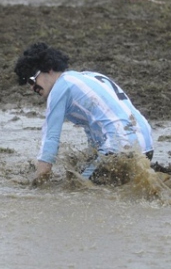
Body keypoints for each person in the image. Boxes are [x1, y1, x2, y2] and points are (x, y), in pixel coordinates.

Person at [13, 43, 154, 186]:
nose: (32, 87)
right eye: (27, 83)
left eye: (32, 80)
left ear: (48, 69)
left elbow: (50, 138)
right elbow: (96, 127)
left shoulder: (60, 89)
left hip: (119, 149)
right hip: (146, 146)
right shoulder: (90, 76)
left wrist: (39, 181)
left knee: (77, 187)